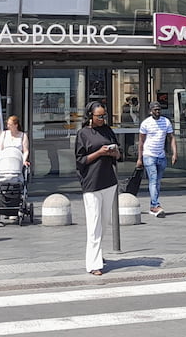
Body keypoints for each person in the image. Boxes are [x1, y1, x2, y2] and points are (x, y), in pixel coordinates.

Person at [75, 102, 120, 275]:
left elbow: (119, 154)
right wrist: (99, 153)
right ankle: (93, 264)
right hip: (92, 182)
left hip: (109, 180)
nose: (102, 119)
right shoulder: (83, 134)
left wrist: (114, 152)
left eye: (104, 115)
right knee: (94, 225)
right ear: (90, 116)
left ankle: (98, 254)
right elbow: (80, 161)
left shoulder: (108, 130)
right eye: (99, 116)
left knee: (103, 223)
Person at [136, 100, 177, 217]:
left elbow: (171, 138)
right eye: (155, 110)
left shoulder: (166, 122)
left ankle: (153, 206)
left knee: (157, 182)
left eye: (159, 109)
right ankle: (155, 205)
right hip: (149, 155)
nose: (157, 111)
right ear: (150, 111)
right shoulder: (146, 123)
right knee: (153, 180)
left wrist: (174, 153)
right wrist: (140, 158)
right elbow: (141, 142)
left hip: (161, 155)